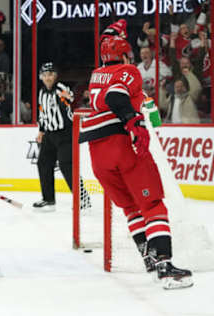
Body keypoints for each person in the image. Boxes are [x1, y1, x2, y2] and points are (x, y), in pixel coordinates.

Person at [81, 29, 193, 289]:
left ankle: (149, 258)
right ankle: (165, 266)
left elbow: (108, 95)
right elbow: (116, 96)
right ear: (124, 54)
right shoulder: (129, 72)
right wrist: (133, 121)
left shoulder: (96, 74)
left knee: (131, 207)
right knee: (152, 204)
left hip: (97, 155)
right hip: (122, 145)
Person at [32, 62, 75, 212]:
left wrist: (66, 98)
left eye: (50, 74)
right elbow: (42, 113)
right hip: (50, 135)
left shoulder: (60, 88)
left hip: (65, 133)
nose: (48, 77)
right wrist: (41, 131)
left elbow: (70, 98)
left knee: (66, 165)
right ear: (41, 77)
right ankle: (48, 199)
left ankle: (82, 199)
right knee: (43, 163)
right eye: (45, 75)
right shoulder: (42, 92)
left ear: (55, 75)